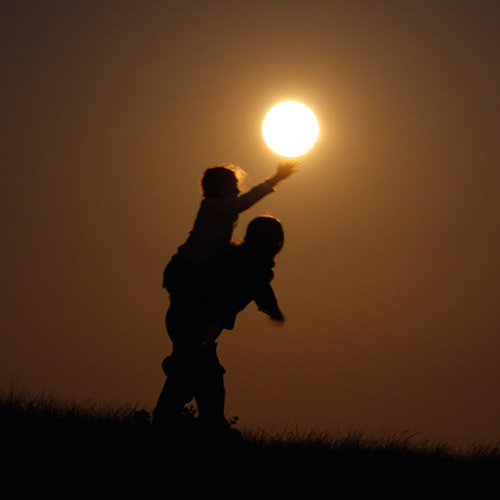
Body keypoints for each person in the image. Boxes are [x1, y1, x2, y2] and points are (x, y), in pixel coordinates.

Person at [153, 216, 286, 434]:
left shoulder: (241, 260)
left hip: (182, 318)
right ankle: (199, 429)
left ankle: (182, 425)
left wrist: (273, 309)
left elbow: (261, 292)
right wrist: (204, 342)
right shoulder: (248, 268)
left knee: (192, 376)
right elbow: (222, 307)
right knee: (200, 377)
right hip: (195, 325)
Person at [162, 161, 296, 334]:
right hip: (189, 269)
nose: (237, 191)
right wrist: (275, 179)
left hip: (193, 267)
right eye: (233, 187)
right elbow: (244, 202)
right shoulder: (216, 206)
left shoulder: (217, 208)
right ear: (218, 189)